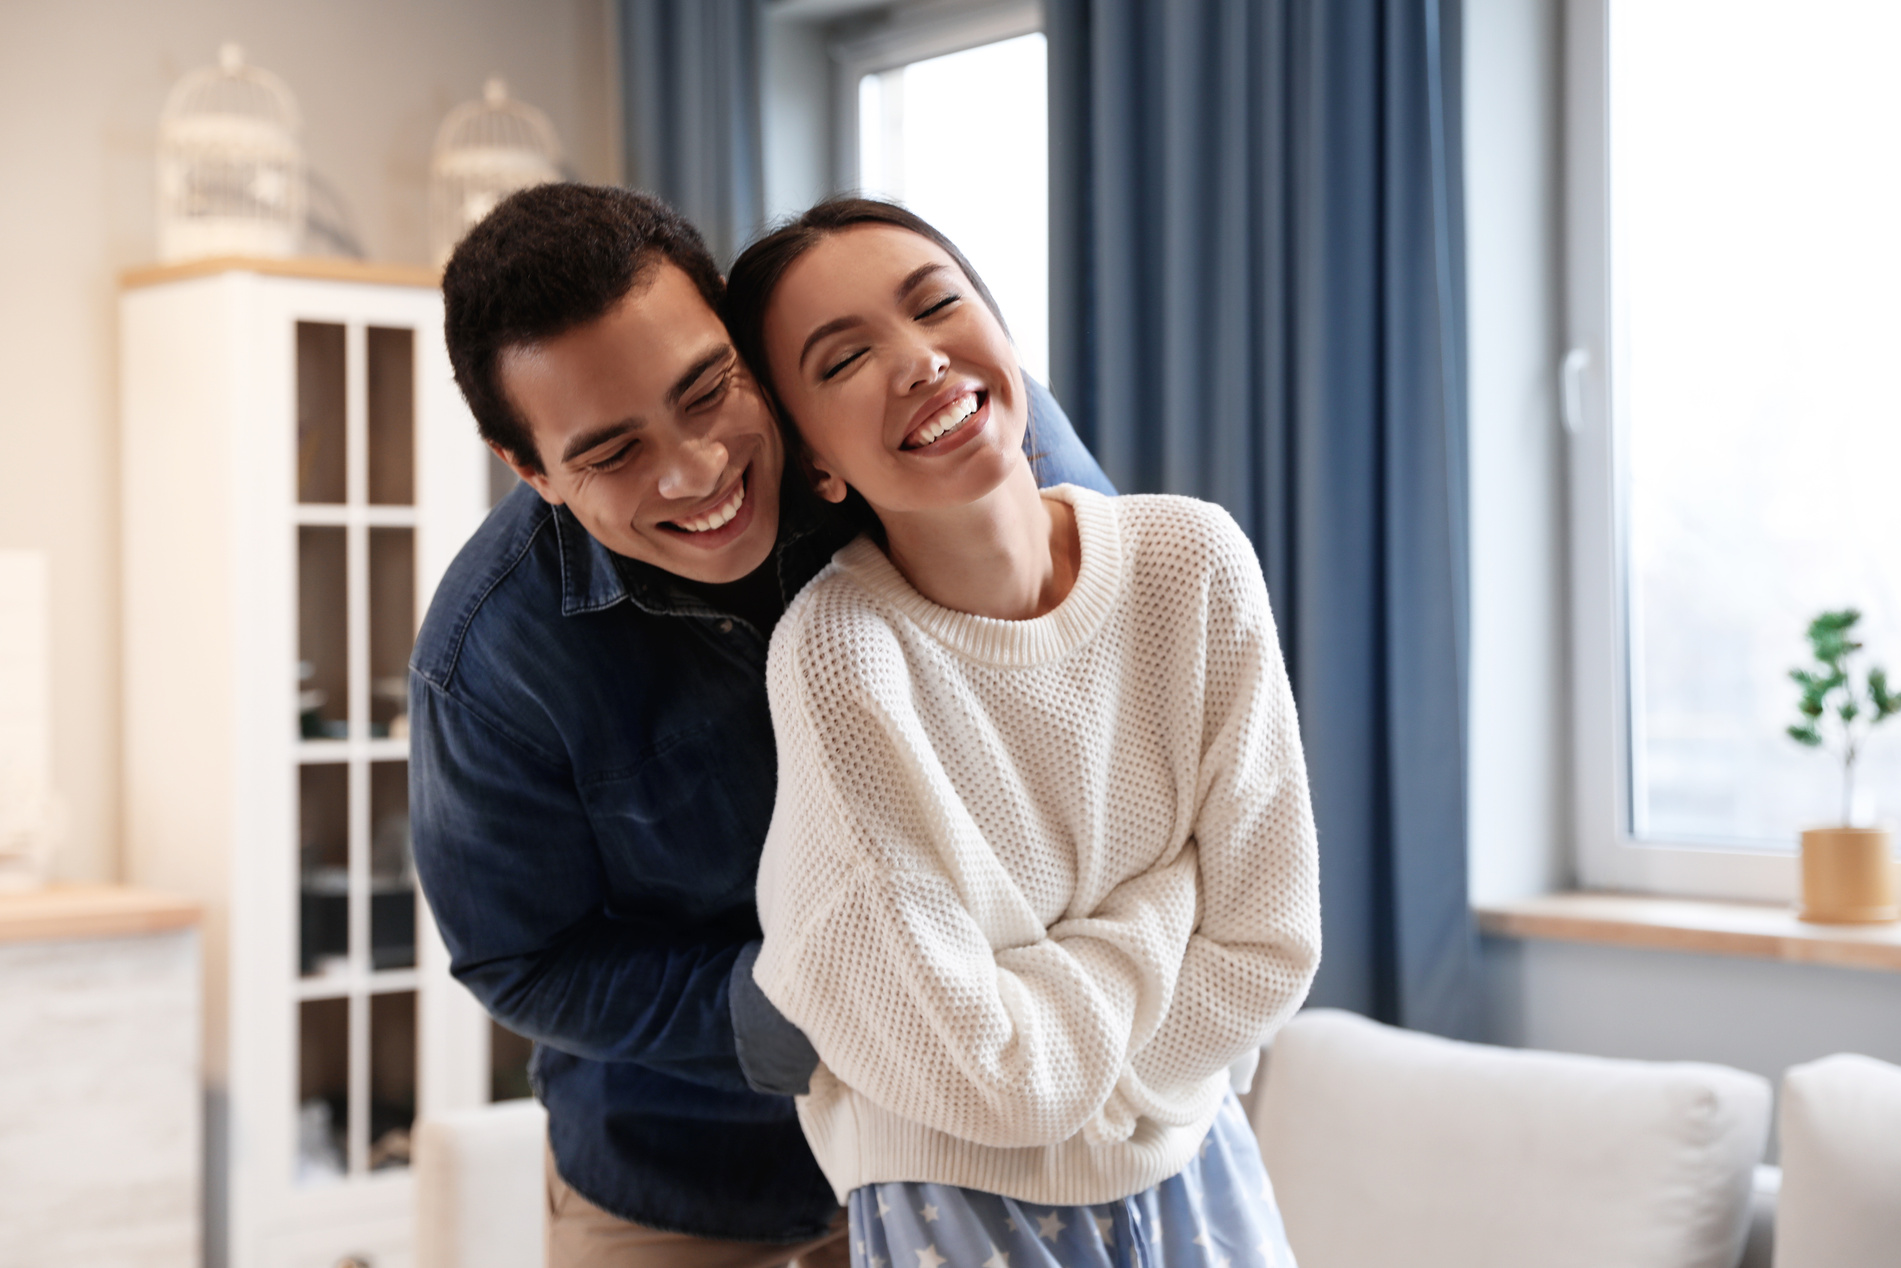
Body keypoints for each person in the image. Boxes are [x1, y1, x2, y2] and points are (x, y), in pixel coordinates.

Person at [410, 184, 1113, 1267]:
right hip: (684, 1183)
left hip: (990, 1141)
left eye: (706, 389)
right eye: (610, 452)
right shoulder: (488, 660)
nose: (694, 471)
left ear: (740, 335)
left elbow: (1114, 671)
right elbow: (521, 958)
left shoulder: (948, 427)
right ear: (531, 469)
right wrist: (814, 1004)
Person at [722, 199, 1321, 1265]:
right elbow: (985, 1072)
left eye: (936, 304)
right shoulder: (839, 653)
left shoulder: (1191, 562)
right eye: (844, 357)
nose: (915, 361)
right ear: (813, 460)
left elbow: (1272, 945)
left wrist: (1083, 1087)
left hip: (1190, 1152)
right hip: (955, 1192)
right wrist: (1168, 899)